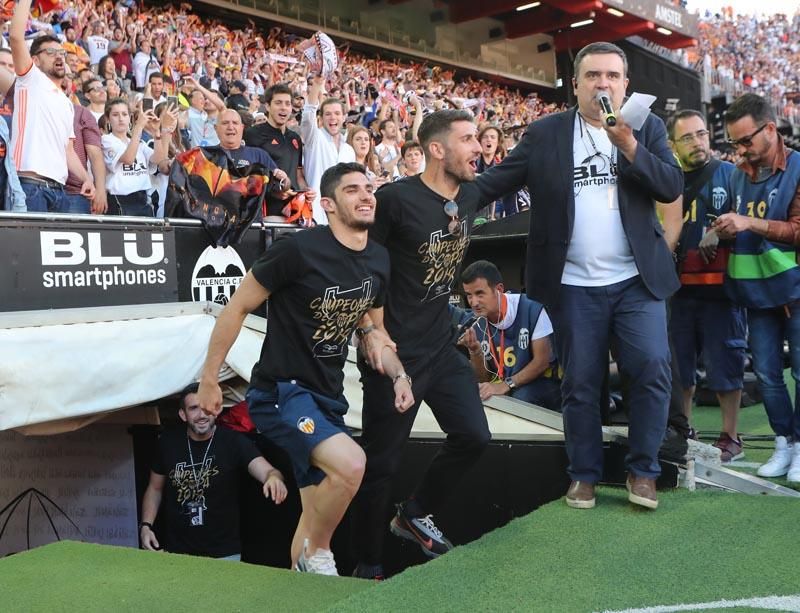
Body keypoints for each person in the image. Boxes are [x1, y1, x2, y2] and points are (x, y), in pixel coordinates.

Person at [474, 41, 683, 510]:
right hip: (573, 284)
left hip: (636, 280)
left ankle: (643, 471)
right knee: (580, 381)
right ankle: (583, 475)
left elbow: (671, 185)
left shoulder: (646, 127)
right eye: (592, 76)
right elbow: (497, 180)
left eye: (611, 76)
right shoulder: (547, 133)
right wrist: (447, 198)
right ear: (575, 85)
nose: (602, 83)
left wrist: (628, 145)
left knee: (650, 367)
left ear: (625, 84)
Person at [197, 162, 413, 575]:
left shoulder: (379, 260)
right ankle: (319, 553)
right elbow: (237, 307)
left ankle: (305, 572)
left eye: (369, 188)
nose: (366, 196)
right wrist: (210, 378)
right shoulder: (298, 250)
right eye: (352, 190)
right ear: (328, 205)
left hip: (327, 398)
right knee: (352, 465)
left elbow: (378, 332)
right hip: (281, 393)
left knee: (314, 509)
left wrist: (399, 374)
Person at [352, 109, 490, 580]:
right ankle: (367, 564)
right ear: (437, 149)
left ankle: (414, 513)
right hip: (394, 353)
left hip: (439, 344)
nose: (479, 147)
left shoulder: (470, 193)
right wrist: (371, 331)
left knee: (474, 436)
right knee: (381, 463)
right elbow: (365, 265)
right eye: (469, 139)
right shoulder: (394, 200)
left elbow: (524, 167)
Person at [713, 93, 800, 483]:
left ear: (770, 129)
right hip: (756, 290)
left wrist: (749, 223)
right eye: (735, 143)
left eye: (746, 140)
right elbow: (741, 229)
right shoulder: (736, 173)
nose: (741, 149)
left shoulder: (797, 167)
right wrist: (724, 231)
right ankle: (785, 442)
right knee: (766, 373)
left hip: (795, 287)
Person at [666, 109, 745, 462]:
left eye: (701, 134)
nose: (698, 142)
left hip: (721, 291)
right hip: (676, 292)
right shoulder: (666, 181)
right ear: (672, 145)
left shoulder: (730, 175)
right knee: (680, 367)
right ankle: (686, 431)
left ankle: (731, 437)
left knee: (725, 363)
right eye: (688, 137)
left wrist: (720, 229)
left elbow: (748, 220)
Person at [139, 382, 287, 560]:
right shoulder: (168, 443)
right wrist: (146, 526)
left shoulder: (233, 442)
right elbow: (155, 488)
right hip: (178, 552)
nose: (202, 415)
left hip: (224, 552)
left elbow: (269, 471)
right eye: (194, 408)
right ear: (182, 415)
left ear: (216, 409)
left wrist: (273, 478)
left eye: (206, 407)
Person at [9, 0, 94, 212]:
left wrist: (87, 178)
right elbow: (17, 37)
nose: (59, 57)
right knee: (27, 246)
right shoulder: (30, 79)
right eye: (51, 52)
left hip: (60, 191)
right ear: (35, 60)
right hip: (29, 185)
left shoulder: (67, 103)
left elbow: (69, 151)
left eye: (62, 53)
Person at [458, 260, 562, 411]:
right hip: (510, 386)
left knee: (521, 398)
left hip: (545, 384)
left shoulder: (531, 307)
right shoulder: (476, 323)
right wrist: (475, 351)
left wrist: (506, 385)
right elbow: (483, 379)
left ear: (499, 289)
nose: (474, 302)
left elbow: (542, 361)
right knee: (477, 395)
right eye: (469, 295)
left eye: (480, 294)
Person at [243, 83, 313, 220]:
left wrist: (307, 190)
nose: (283, 107)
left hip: (294, 212)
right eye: (278, 103)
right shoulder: (252, 134)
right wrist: (272, 191)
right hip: (265, 213)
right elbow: (246, 174)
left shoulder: (295, 138)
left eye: (287, 103)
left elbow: (298, 175)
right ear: (268, 106)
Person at [300, 75, 356, 225]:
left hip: (343, 218)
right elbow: (307, 117)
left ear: (344, 117)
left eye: (337, 114)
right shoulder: (315, 138)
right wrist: (317, 85)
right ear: (321, 117)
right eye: (328, 114)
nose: (333, 118)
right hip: (315, 216)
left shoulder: (349, 150)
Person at [102, 99, 173, 216]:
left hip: (142, 199)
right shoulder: (107, 140)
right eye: (115, 115)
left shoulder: (137, 142)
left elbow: (159, 159)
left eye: (124, 114)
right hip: (119, 201)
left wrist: (156, 134)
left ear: (129, 117)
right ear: (108, 119)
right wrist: (139, 127)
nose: (120, 118)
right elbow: (128, 159)